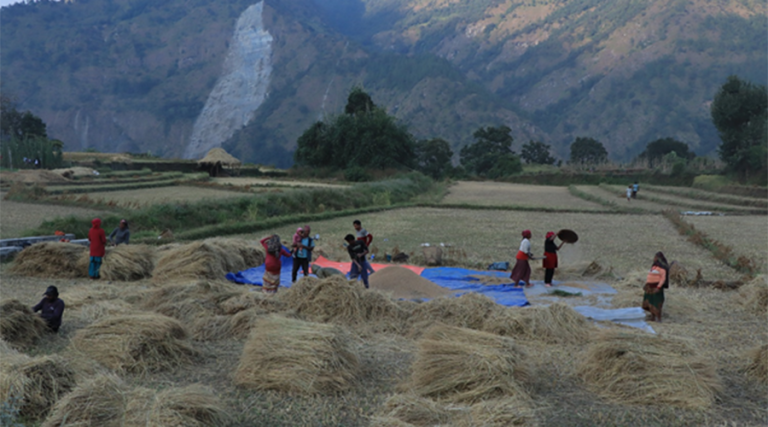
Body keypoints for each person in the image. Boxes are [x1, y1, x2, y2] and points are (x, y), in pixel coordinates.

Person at [642, 251, 669, 322]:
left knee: (656, 303)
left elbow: (663, 279)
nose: (654, 259)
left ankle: (658, 318)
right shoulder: (653, 267)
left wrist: (658, 287)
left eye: (655, 257)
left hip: (656, 287)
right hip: (649, 287)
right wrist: (646, 284)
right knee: (650, 302)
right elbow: (649, 276)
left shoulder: (662, 269)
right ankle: (652, 317)